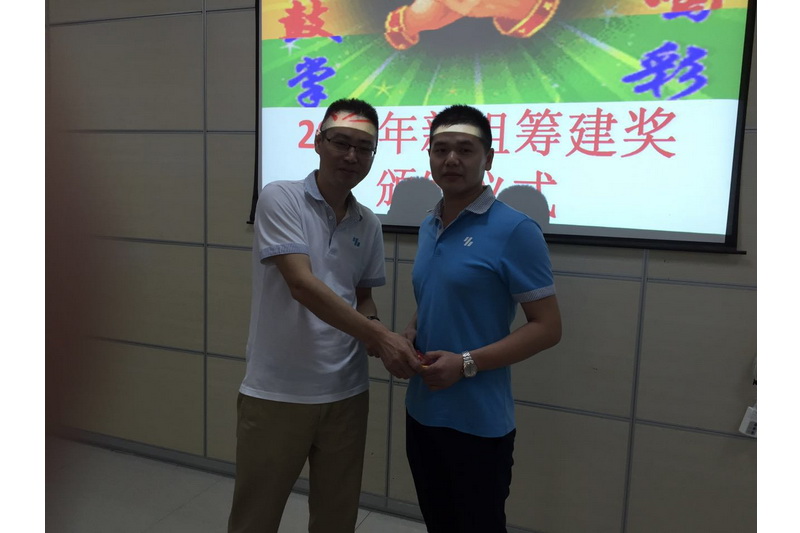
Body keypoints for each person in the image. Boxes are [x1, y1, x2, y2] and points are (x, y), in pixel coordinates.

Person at [228, 98, 422, 533]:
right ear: (318, 142)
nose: (352, 155)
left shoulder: (368, 223)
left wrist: (377, 329)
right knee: (255, 517)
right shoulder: (280, 197)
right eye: (341, 142)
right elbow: (301, 284)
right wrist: (379, 337)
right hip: (278, 390)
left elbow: (363, 298)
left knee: (336, 516)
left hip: (347, 392)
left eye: (364, 148)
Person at [403, 104, 562, 532]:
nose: (451, 159)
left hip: (477, 421)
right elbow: (441, 291)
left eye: (465, 149)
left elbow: (548, 328)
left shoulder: (515, 229)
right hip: (422, 409)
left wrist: (466, 363)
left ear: (488, 158)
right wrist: (413, 327)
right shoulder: (429, 224)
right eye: (441, 149)